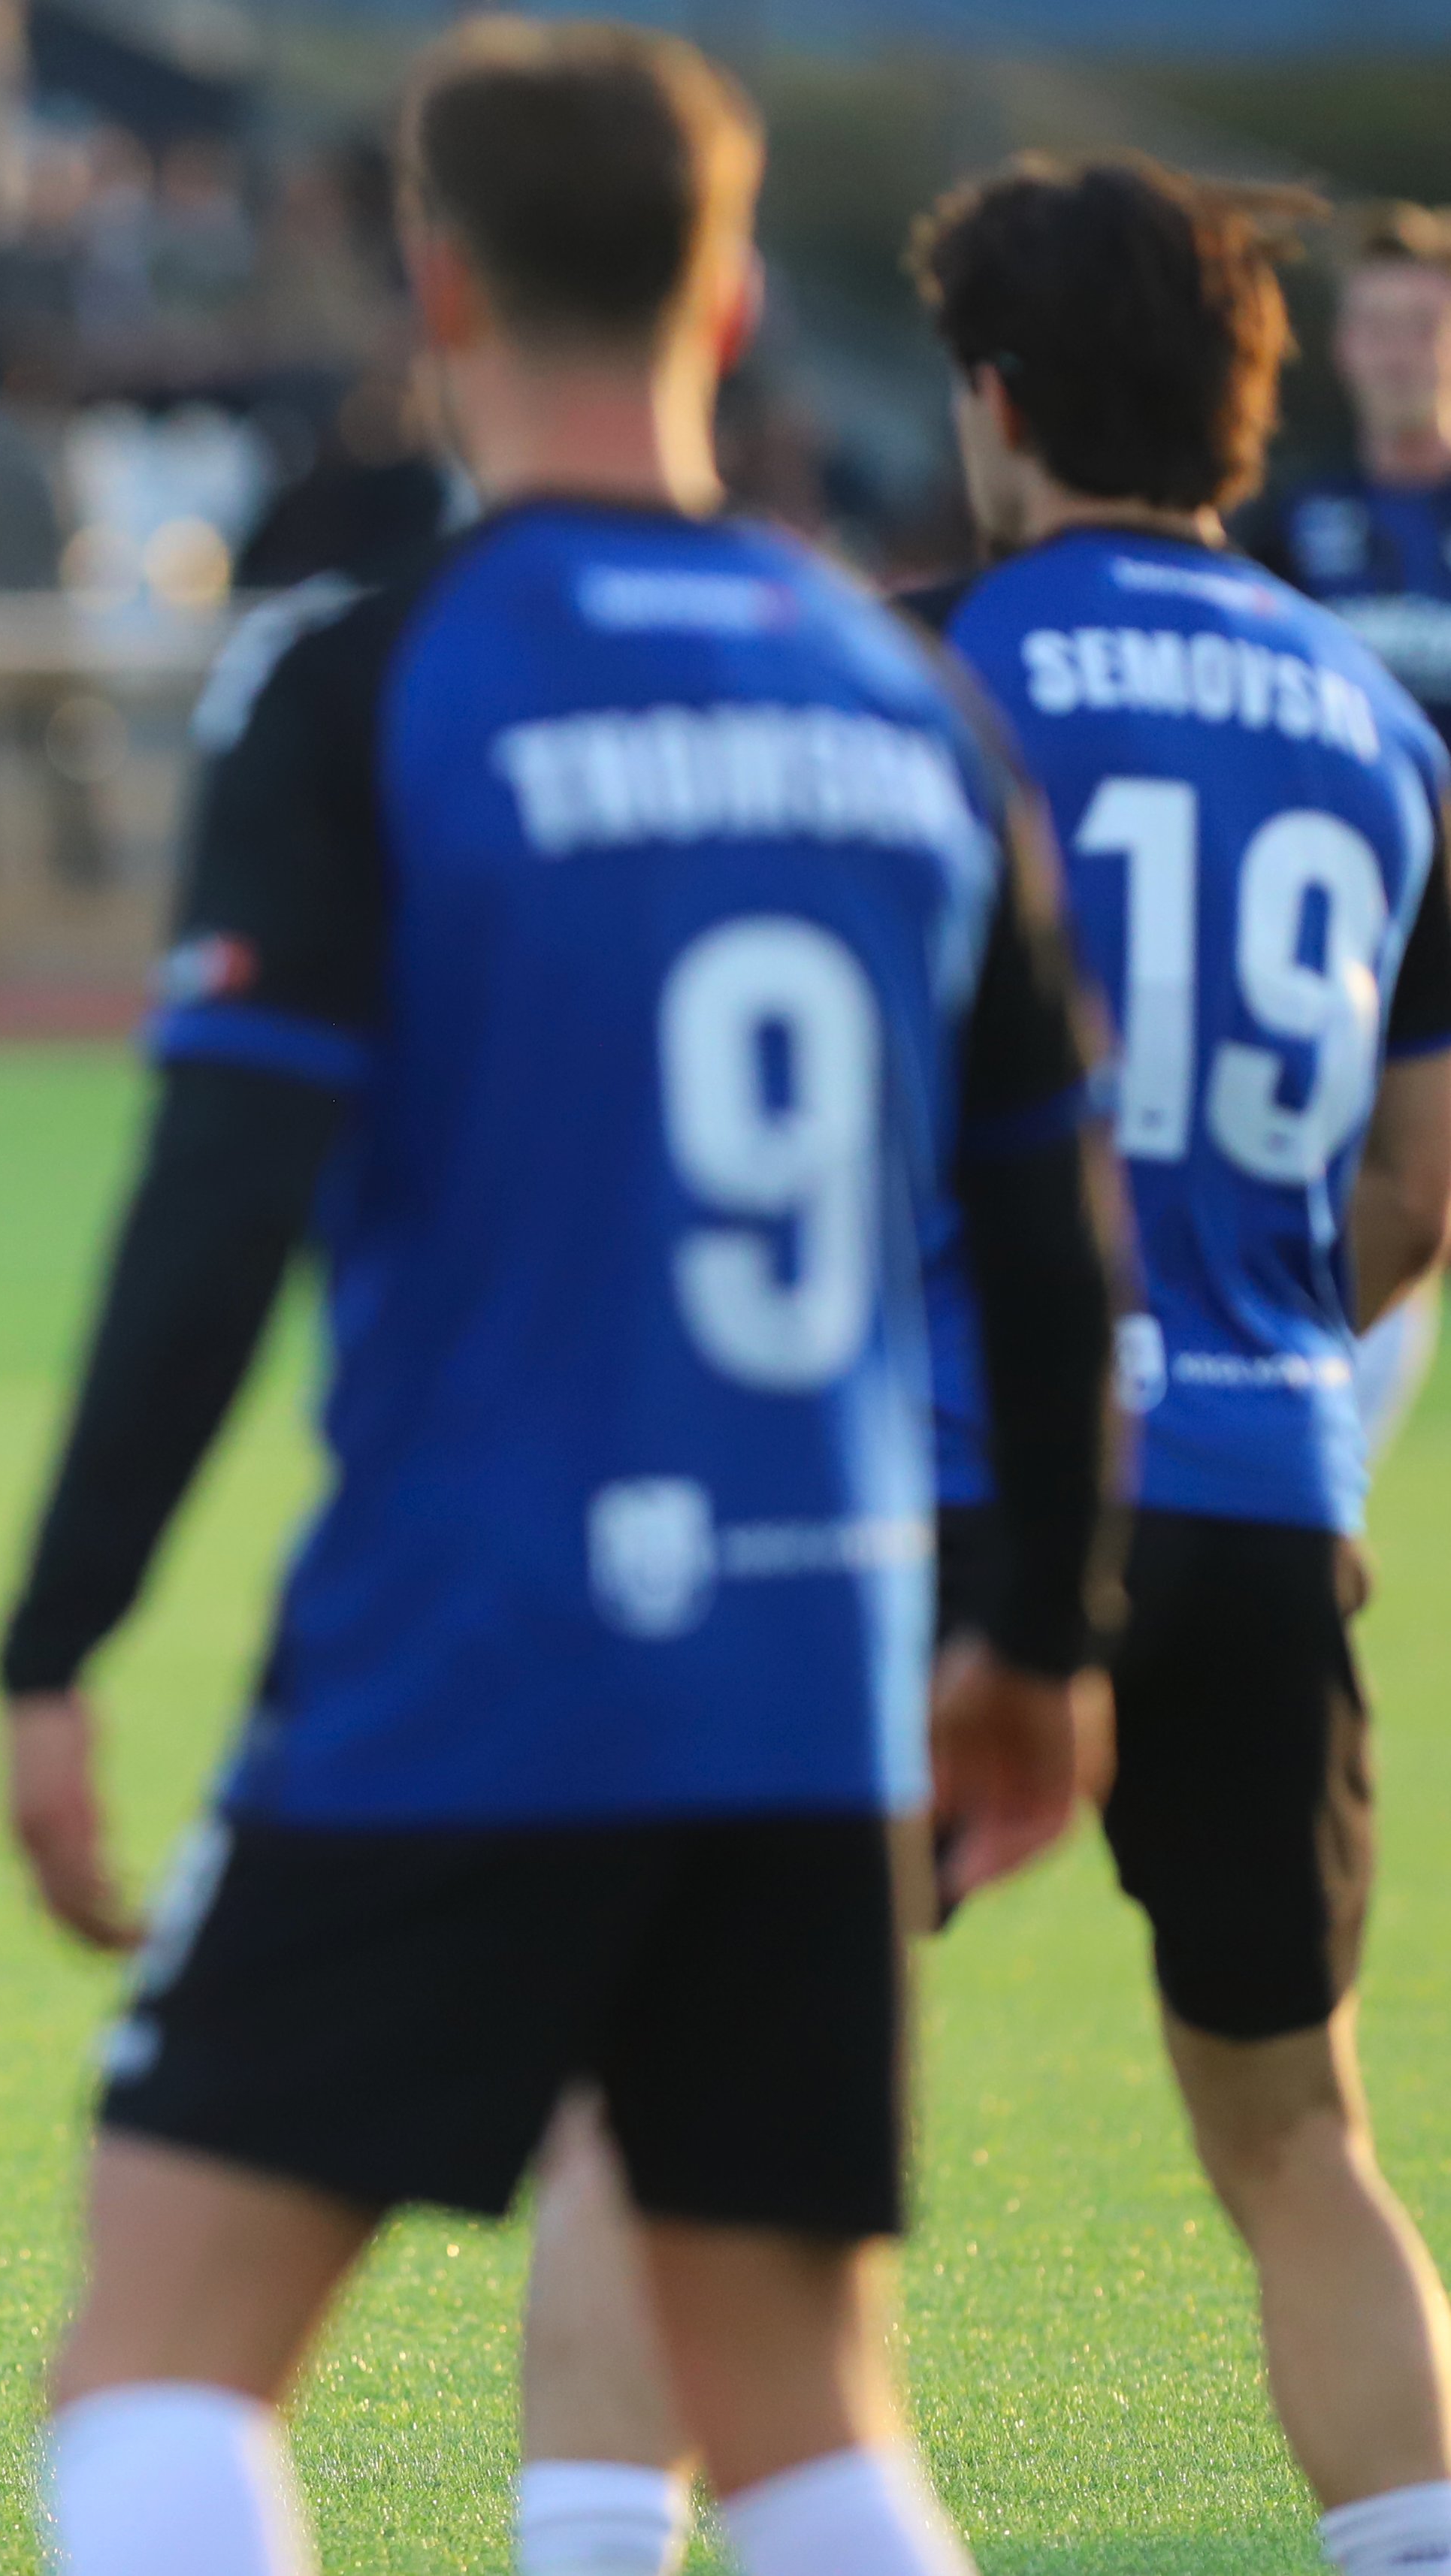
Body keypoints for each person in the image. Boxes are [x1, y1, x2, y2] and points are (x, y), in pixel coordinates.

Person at [0, 23, 1124, 2573]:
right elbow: (1052, 1248)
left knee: (157, 2362)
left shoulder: (374, 677)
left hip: (462, 1652)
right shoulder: (904, 700)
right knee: (808, 2414)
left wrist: (60, 1626)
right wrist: (1036, 1636)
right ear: (731, 297)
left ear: (435, 283)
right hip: (802, 1677)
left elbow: (217, 1200)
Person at [510, 156, 1451, 2576]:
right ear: (1248, 414)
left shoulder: (888, 665)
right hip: (1256, 1498)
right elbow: (1415, 1187)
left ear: (994, 405)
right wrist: (1244, 1366)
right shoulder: (1381, 728)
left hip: (904, 1489)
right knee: (1292, 2136)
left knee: (659, 2098)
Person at [1247, 201, 1451, 1460]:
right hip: (1327, 951)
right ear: (1338, 348)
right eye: (1373, 323)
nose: (1395, 349)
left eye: (1421, 322)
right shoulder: (1283, 525)